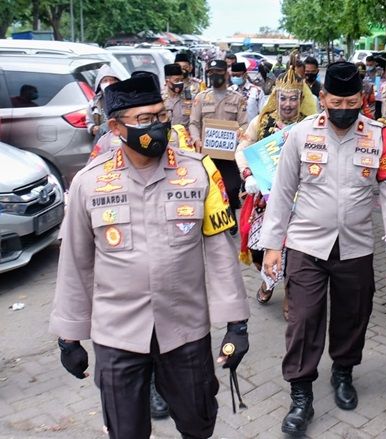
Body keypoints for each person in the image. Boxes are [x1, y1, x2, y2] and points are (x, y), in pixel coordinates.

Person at [49, 72, 251, 439]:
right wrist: (69, 336)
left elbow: (219, 252)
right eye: (145, 120)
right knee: (125, 430)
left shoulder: (197, 173)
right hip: (118, 334)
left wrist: (236, 323)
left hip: (185, 329)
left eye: (161, 116)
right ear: (115, 127)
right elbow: (75, 264)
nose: (158, 126)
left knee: (198, 422)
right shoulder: (89, 183)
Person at [259, 61, 386, 436]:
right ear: (322, 98)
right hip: (307, 244)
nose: (343, 107)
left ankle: (343, 372)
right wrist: (272, 244)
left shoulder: (379, 137)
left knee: (352, 316)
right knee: (304, 318)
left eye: (352, 100)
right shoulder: (299, 135)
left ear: (363, 98)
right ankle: (300, 393)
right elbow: (282, 192)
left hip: (356, 248)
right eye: (335, 100)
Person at [235, 67, 317, 312]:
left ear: (301, 100)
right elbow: (242, 148)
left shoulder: (311, 125)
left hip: (300, 198)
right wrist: (247, 174)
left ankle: (291, 294)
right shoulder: (261, 121)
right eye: (283, 98)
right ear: (276, 98)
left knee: (295, 250)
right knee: (257, 247)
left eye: (293, 98)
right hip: (265, 197)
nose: (288, 104)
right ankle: (267, 279)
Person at [189, 59, 248, 215]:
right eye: (211, 73)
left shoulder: (238, 98)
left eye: (218, 72)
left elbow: (244, 124)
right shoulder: (201, 98)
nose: (215, 76)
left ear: (226, 74)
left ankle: (231, 213)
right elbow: (194, 123)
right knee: (209, 187)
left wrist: (238, 135)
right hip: (207, 154)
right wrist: (197, 140)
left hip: (229, 155)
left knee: (232, 187)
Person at [87, 65, 121, 142]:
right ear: (99, 83)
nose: (109, 83)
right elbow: (89, 122)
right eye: (105, 80)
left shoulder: (125, 98)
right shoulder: (94, 103)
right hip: (103, 141)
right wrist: (93, 128)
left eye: (112, 80)